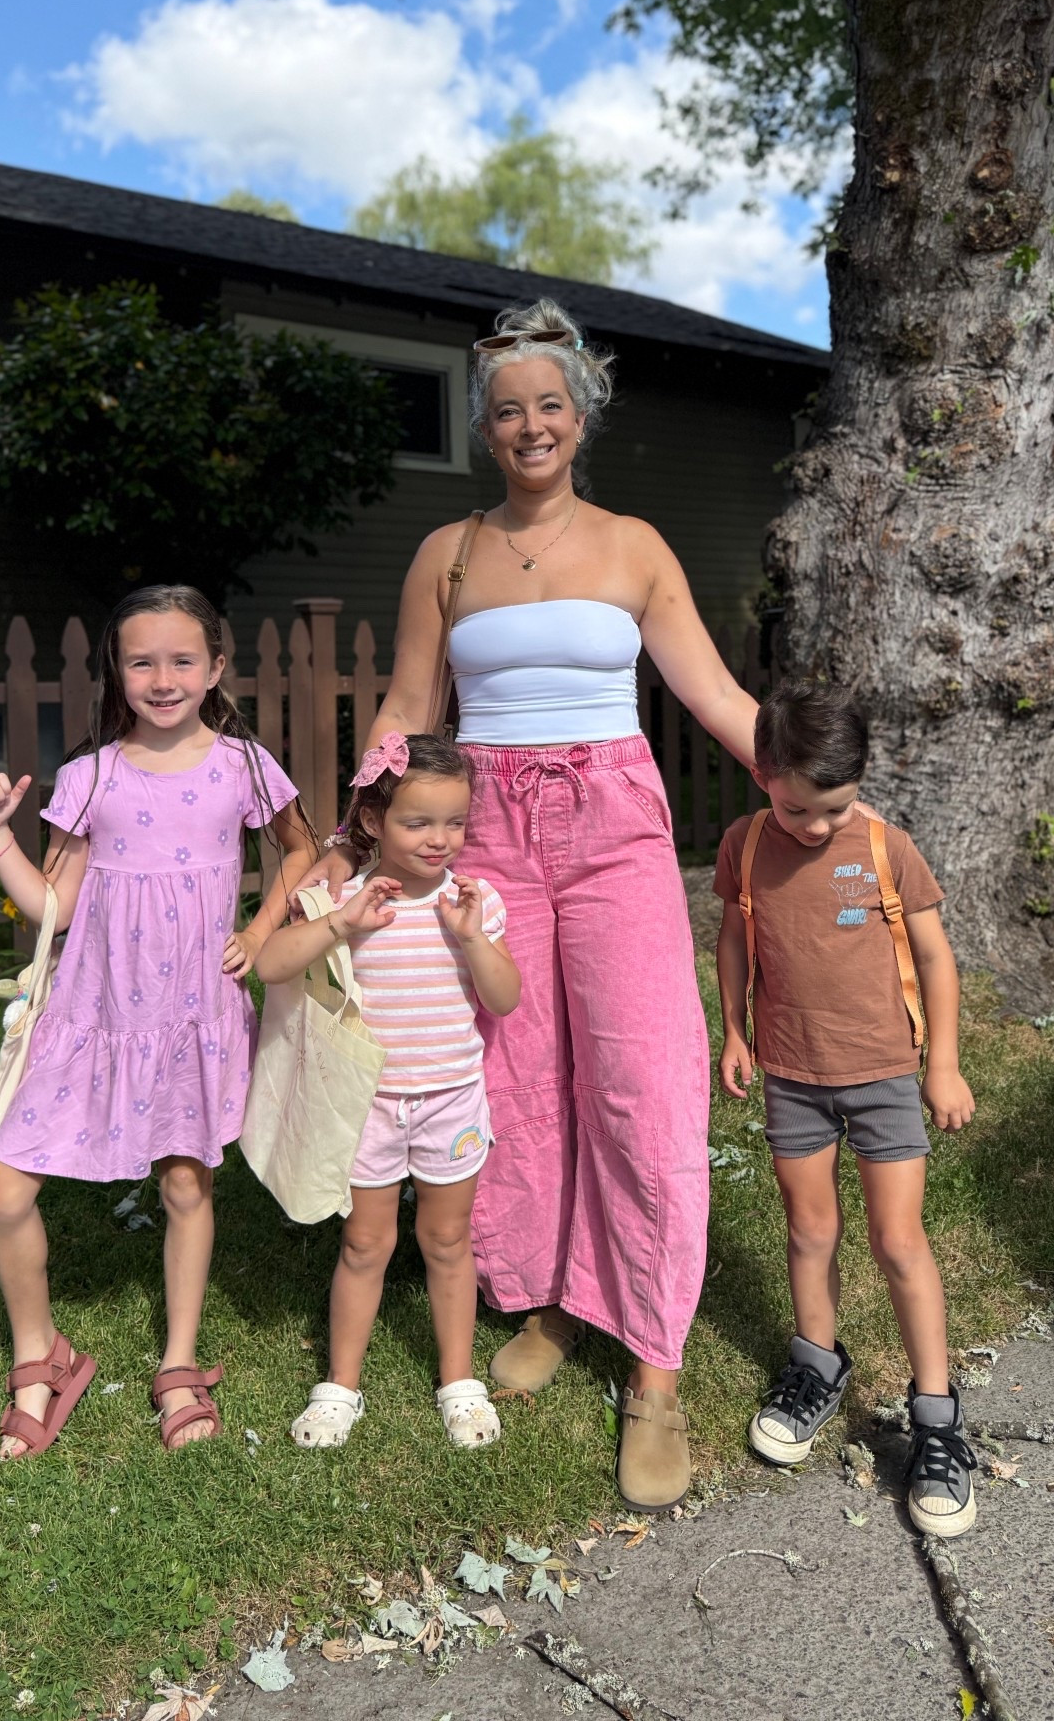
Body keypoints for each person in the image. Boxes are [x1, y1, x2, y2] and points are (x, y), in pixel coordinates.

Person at [314, 297, 766, 1512]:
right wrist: (354, 837)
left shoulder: (635, 545)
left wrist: (815, 780)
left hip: (614, 822)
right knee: (513, 1065)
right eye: (507, 409)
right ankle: (557, 1298)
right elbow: (409, 711)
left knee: (640, 1073)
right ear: (485, 426)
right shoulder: (446, 555)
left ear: (582, 416)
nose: (530, 426)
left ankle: (655, 1362)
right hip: (489, 828)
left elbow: (718, 696)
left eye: (550, 405)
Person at [0, 584, 315, 1459]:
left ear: (217, 668)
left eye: (183, 659)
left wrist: (262, 926)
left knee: (187, 1185)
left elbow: (304, 848)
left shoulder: (244, 766)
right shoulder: (92, 776)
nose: (163, 678)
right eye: (141, 660)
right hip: (93, 1011)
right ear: (116, 672)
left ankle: (179, 1363)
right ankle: (42, 1354)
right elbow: (52, 905)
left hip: (195, 1006)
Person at [715, 680, 979, 1536]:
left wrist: (941, 1065)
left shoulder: (887, 846)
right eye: (799, 807)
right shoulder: (746, 847)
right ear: (765, 776)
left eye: (835, 806)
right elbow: (733, 937)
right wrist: (734, 1032)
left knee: (899, 1240)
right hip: (793, 1075)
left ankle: (937, 1418)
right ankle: (816, 1368)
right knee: (808, 1231)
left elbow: (935, 961)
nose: (817, 825)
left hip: (883, 1077)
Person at [255, 733, 520, 1451]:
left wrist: (472, 939)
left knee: (446, 1238)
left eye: (456, 822)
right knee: (366, 1242)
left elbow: (505, 998)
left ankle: (458, 1382)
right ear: (372, 821)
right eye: (418, 823)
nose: (441, 840)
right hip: (368, 1104)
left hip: (450, 1101)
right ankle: (340, 1386)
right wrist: (340, 922)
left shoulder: (475, 901)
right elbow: (271, 964)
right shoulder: (346, 898)